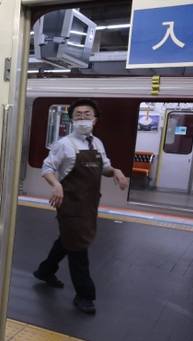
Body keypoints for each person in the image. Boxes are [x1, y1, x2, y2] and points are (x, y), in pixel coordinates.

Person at [33, 99, 128, 315]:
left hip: (89, 202)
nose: (83, 118)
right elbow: (47, 168)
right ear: (71, 120)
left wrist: (116, 171)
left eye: (87, 114)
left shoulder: (97, 143)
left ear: (95, 119)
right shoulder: (64, 144)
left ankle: (45, 271)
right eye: (78, 115)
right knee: (78, 247)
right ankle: (84, 294)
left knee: (67, 241)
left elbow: (104, 167)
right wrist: (56, 184)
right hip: (69, 203)